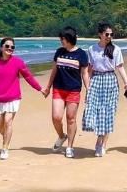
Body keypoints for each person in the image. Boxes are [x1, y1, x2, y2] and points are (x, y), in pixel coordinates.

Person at [0, 37, 43, 160]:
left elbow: (28, 77)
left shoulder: (18, 62)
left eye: (12, 47)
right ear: (1, 47)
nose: (10, 49)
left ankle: (5, 148)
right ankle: (7, 137)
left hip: (13, 97)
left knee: (7, 122)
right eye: (7, 46)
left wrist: (40, 88)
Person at [82, 22, 127, 157]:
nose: (109, 36)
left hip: (110, 80)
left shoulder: (116, 50)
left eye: (111, 34)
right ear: (100, 34)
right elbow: (89, 69)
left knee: (108, 112)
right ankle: (99, 139)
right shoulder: (92, 49)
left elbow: (120, 67)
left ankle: (102, 144)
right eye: (106, 34)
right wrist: (87, 87)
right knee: (95, 111)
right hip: (96, 80)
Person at [42, 26, 90, 158]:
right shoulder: (59, 52)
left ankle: (70, 146)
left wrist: (89, 89)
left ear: (68, 38)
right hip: (58, 88)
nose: (61, 41)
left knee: (71, 119)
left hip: (73, 90)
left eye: (62, 39)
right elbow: (54, 71)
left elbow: (85, 74)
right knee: (56, 117)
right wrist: (48, 87)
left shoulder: (81, 54)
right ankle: (61, 136)